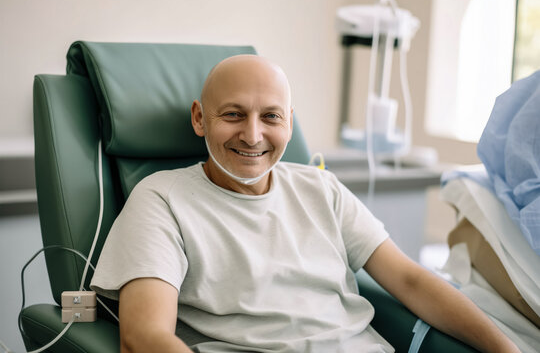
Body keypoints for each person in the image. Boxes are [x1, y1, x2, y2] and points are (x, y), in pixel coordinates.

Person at [90, 55, 519, 353]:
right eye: (233, 115)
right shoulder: (162, 198)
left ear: (290, 123)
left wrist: (506, 347)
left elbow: (410, 280)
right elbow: (144, 338)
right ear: (200, 118)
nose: (253, 135)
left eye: (271, 117)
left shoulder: (321, 189)